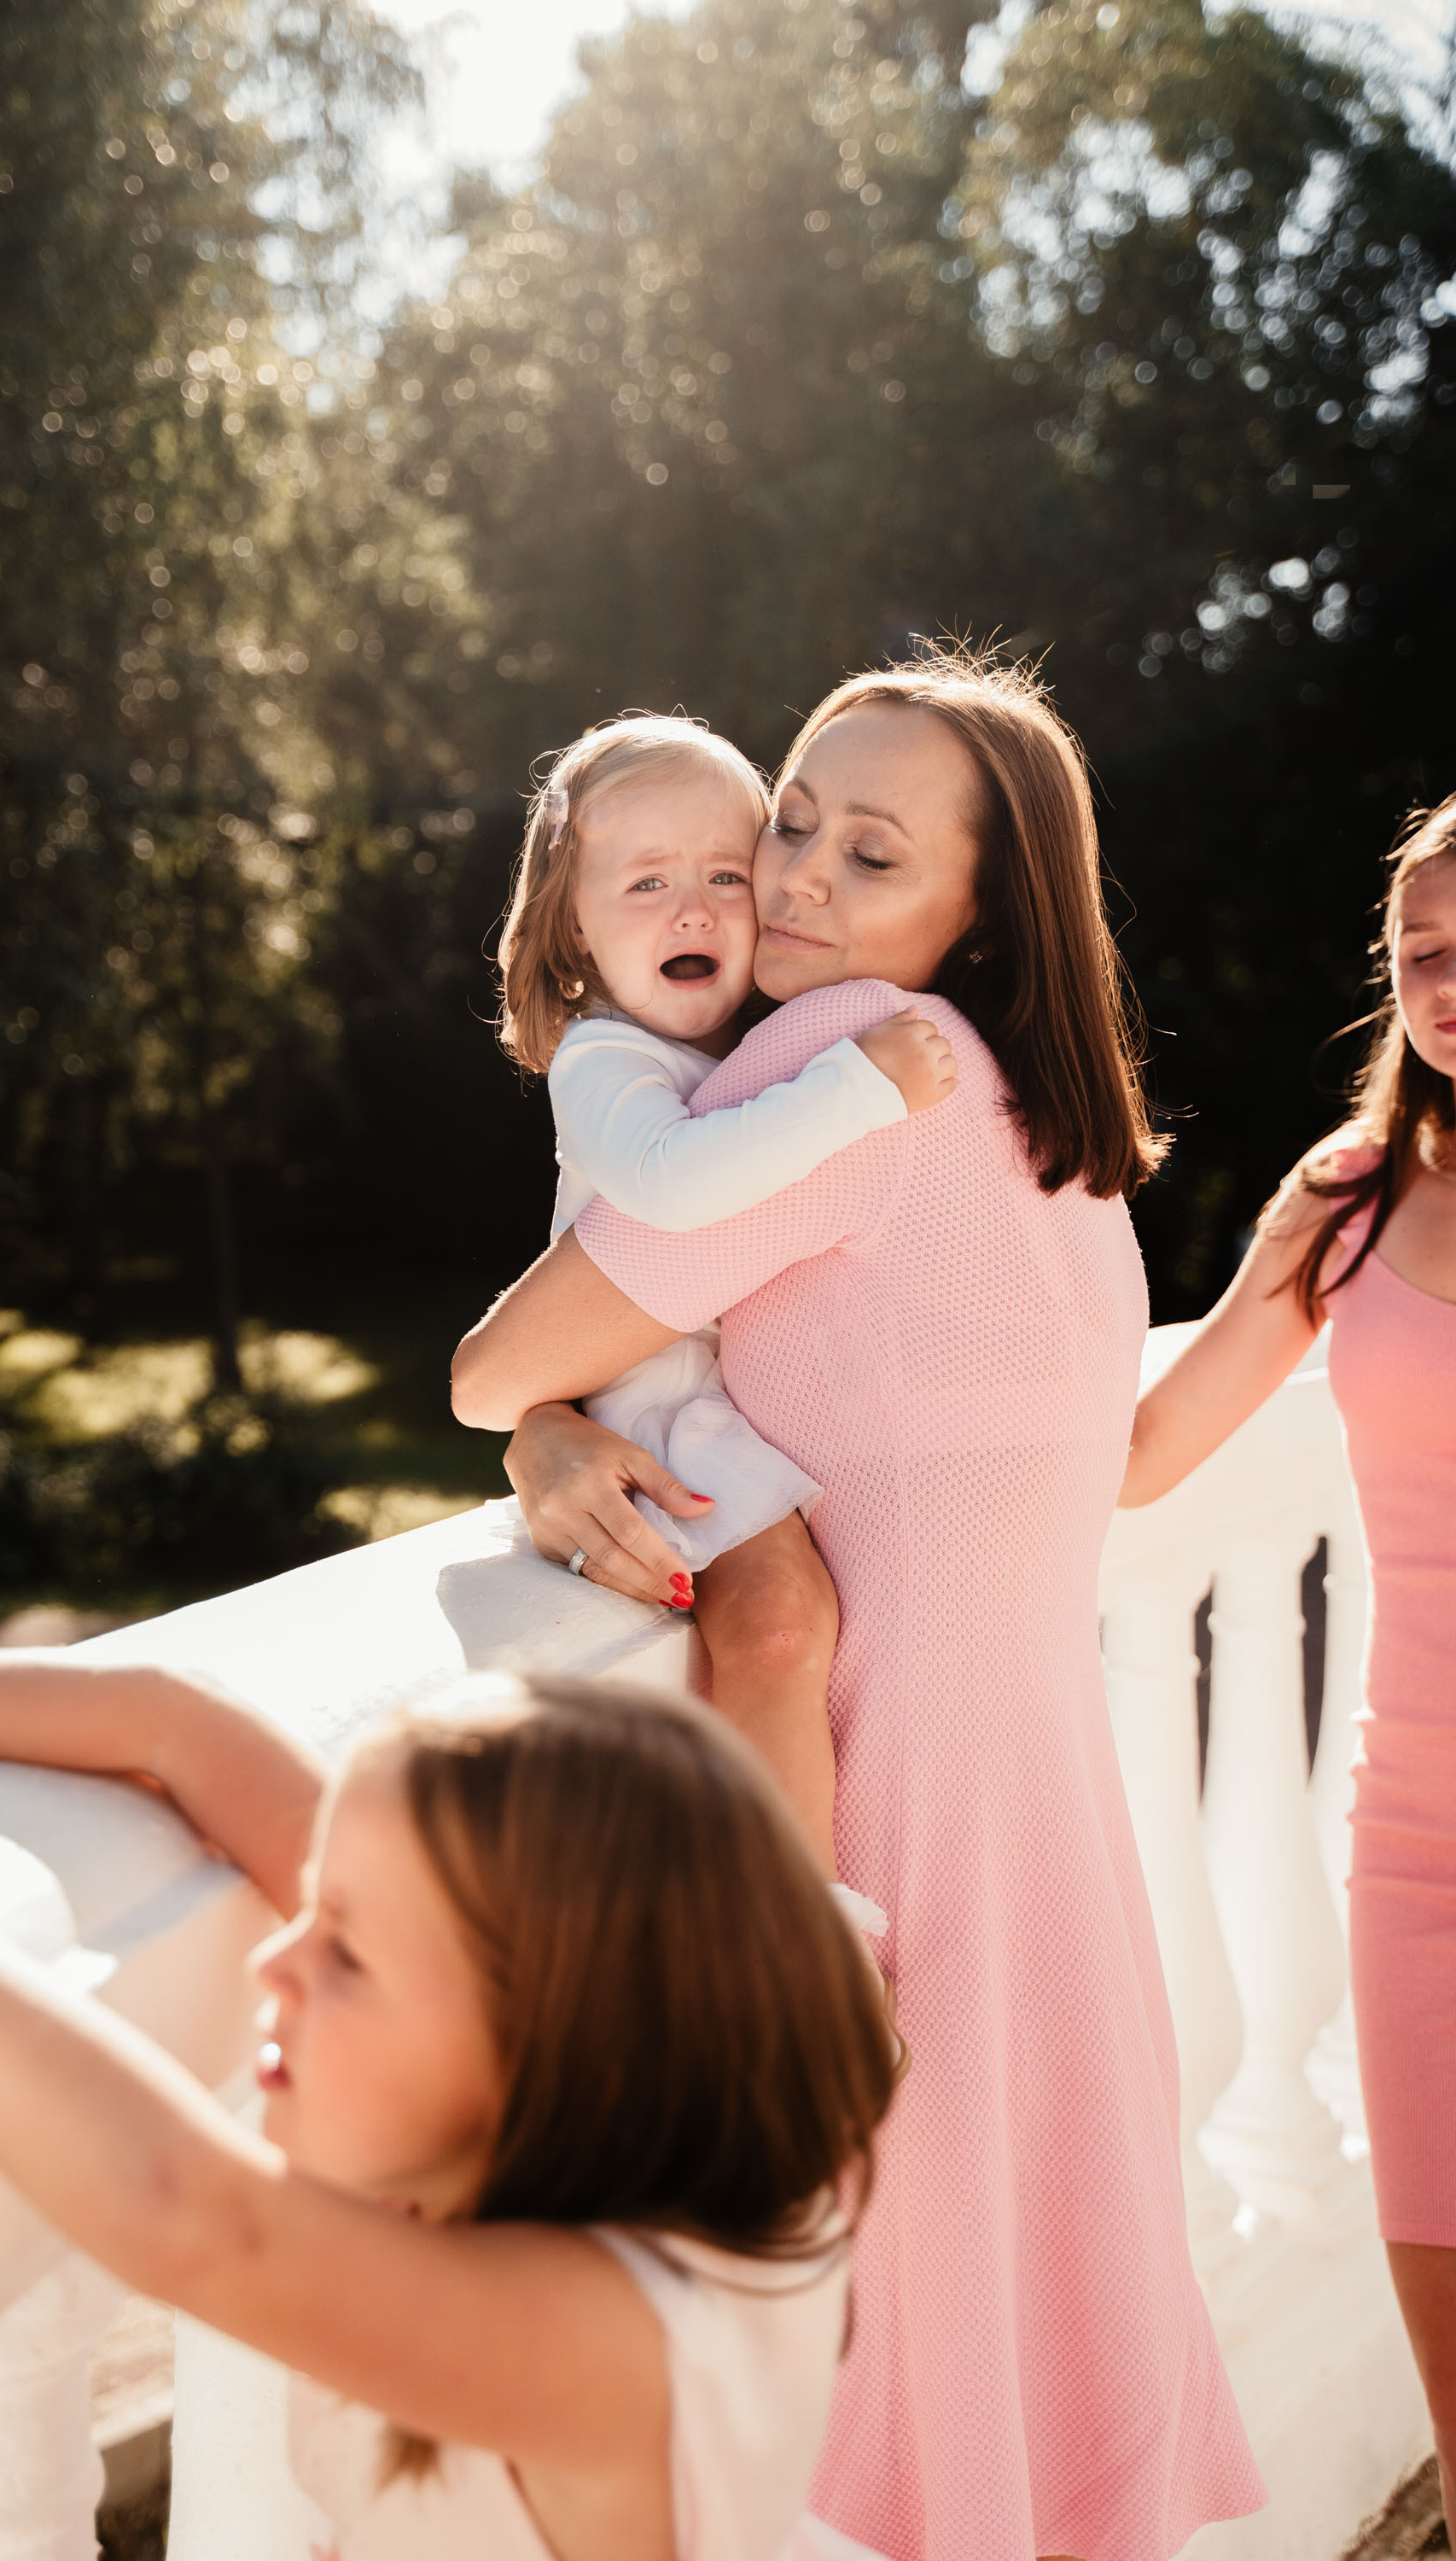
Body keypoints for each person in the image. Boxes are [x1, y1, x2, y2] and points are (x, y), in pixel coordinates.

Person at [452, 649, 1265, 2561]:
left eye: (871, 855)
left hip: (888, 1802)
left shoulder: (846, 1061)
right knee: (1024, 2304)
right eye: (795, 822)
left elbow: (494, 1363)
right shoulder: (1043, 1121)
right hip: (1041, 1806)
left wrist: (543, 1429)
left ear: (979, 913)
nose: (795, 880)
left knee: (882, 2333)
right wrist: (561, 1426)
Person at [0, 1654, 899, 2561]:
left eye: (342, 1949)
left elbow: (184, 2211)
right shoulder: (579, 2070)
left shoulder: (618, 2340)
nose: (275, 1959)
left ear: (553, 2044)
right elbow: (173, 1726)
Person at [1122, 794, 1456, 2515]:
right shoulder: (1347, 1200)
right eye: (1420, 951)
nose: (1445, 982)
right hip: (1415, 1856)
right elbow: (1146, 1450)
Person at [495, 709, 952, 1874]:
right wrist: (860, 1088)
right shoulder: (605, 1057)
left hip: (713, 1401)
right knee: (779, 1624)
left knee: (787, 1629)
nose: (694, 911)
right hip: (655, 1415)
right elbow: (674, 1182)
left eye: (724, 876)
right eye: (646, 883)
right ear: (575, 925)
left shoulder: (740, 1052)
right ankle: (794, 1916)